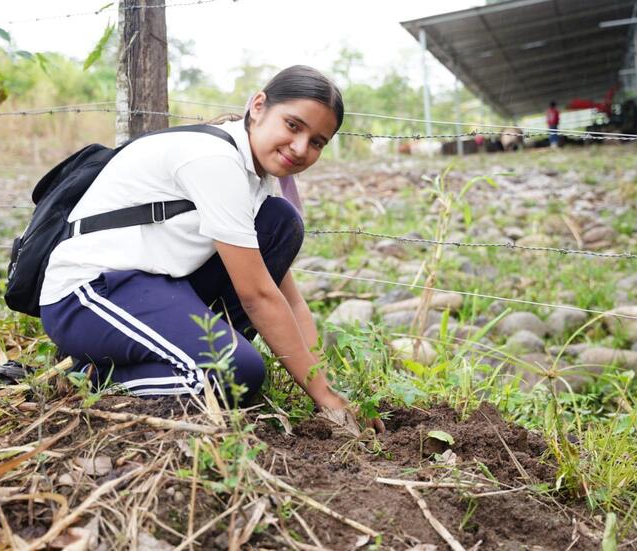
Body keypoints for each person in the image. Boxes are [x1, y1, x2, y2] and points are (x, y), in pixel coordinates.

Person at [39, 65, 384, 432]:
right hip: (89, 295)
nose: (300, 148)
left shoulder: (261, 180)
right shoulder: (214, 159)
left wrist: (329, 391)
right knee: (235, 374)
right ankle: (87, 376)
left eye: (317, 142)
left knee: (280, 222)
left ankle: (182, 355)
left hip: (157, 286)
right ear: (258, 106)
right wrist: (324, 398)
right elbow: (257, 297)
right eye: (293, 125)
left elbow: (289, 298)